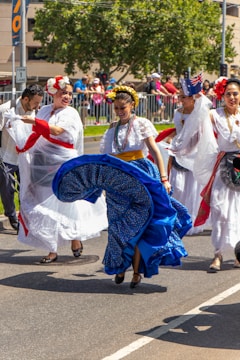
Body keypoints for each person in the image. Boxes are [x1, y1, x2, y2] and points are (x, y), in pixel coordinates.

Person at [4, 75, 108, 263]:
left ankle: (75, 238)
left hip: (63, 164)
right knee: (44, 203)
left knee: (68, 203)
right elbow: (33, 133)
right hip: (42, 164)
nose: (67, 96)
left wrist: (33, 122)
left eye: (69, 93)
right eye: (63, 93)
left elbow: (58, 131)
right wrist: (18, 124)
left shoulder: (71, 113)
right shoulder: (43, 110)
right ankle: (52, 249)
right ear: (53, 93)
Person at [98, 85, 191, 287]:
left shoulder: (141, 124)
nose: (120, 111)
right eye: (116, 108)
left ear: (132, 105)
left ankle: (137, 271)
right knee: (118, 226)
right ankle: (121, 265)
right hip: (117, 179)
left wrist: (164, 178)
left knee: (141, 223)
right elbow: (105, 157)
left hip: (140, 174)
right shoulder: (111, 129)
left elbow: (155, 151)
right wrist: (103, 181)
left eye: (123, 107)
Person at [169, 77, 240, 271]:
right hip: (224, 165)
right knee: (219, 209)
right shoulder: (214, 115)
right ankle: (217, 254)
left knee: (238, 211)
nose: (232, 97)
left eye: (235, 94)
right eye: (228, 94)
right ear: (222, 96)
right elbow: (196, 128)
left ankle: (238, 253)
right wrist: (200, 101)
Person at [0, 84, 44, 231]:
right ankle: (12, 215)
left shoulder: (35, 112)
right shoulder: (6, 109)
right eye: (36, 103)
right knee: (7, 188)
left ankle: (24, 218)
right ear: (25, 99)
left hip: (26, 157)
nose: (38, 106)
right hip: (6, 156)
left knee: (27, 188)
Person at [167, 88, 210, 235]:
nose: (181, 100)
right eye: (180, 97)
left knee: (192, 188)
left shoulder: (200, 113)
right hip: (179, 151)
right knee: (177, 187)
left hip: (195, 153)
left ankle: (191, 219)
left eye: (184, 97)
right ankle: (178, 218)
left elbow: (203, 132)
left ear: (193, 98)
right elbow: (179, 131)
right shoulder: (177, 112)